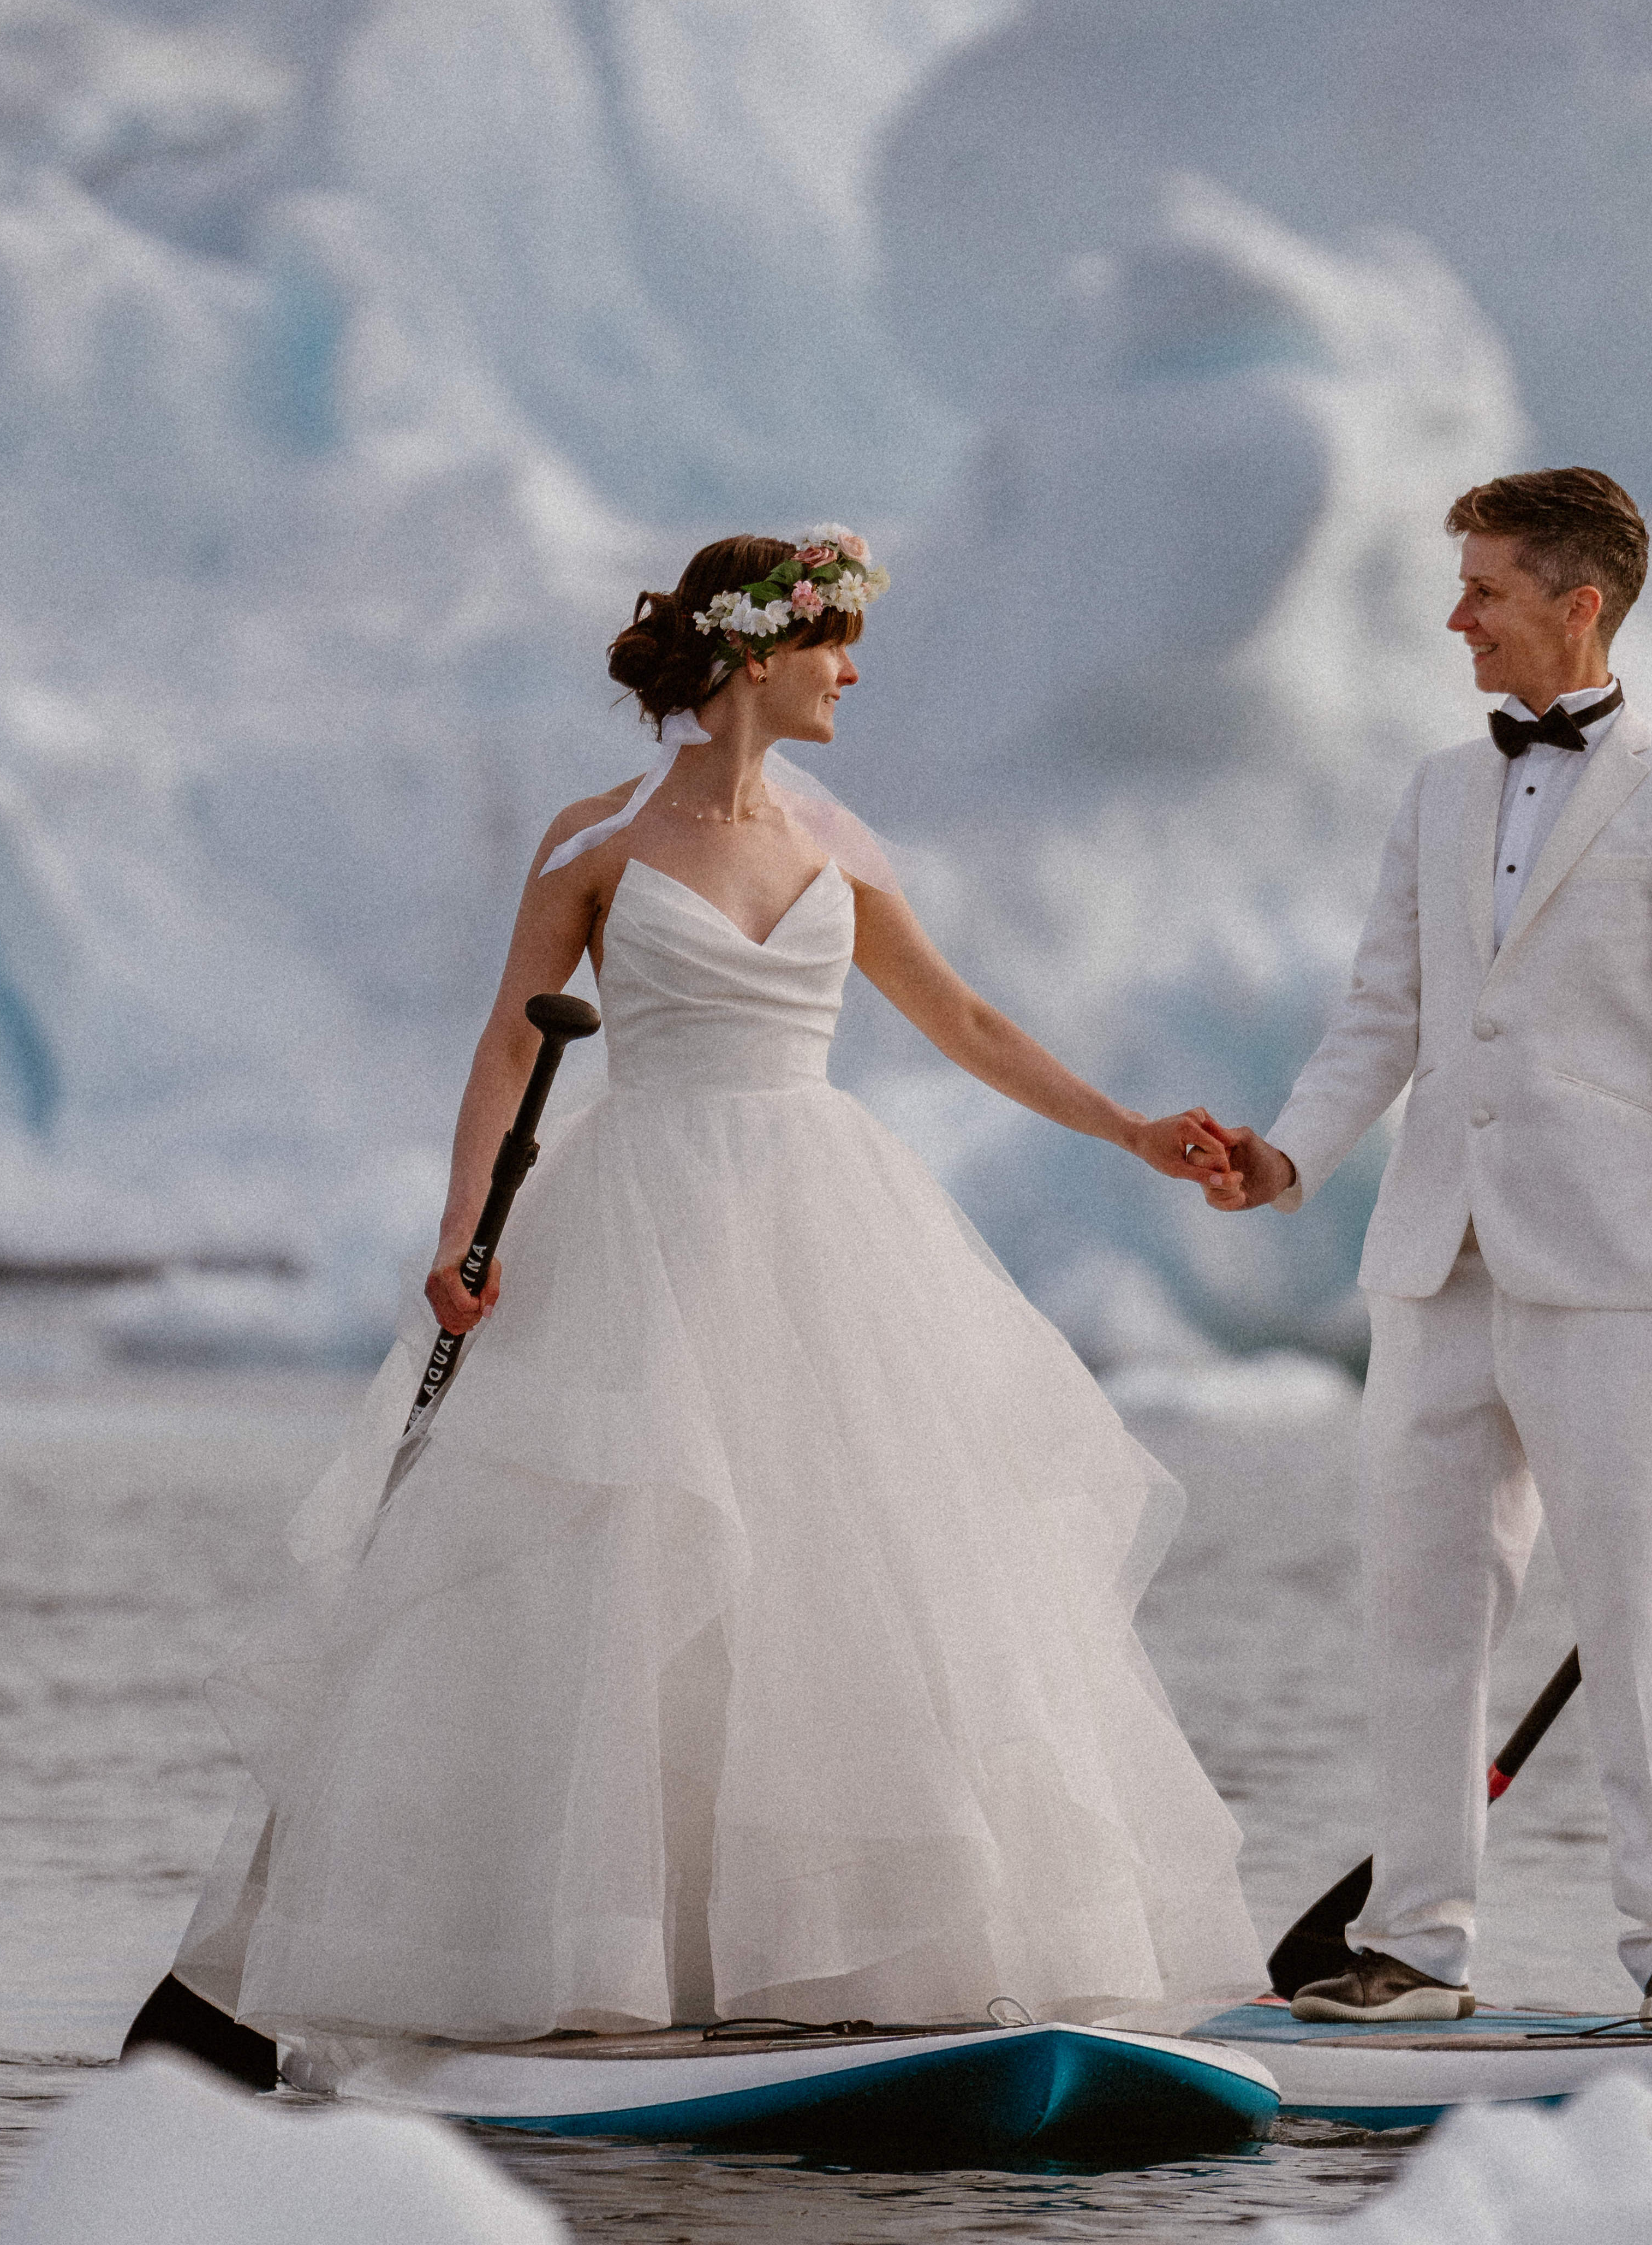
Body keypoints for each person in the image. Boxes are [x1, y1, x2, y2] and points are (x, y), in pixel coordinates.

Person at [134, 528, 1262, 2075]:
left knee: (843, 1580)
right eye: (834, 644)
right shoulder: (592, 839)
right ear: (752, 654)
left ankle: (841, 1969)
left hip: (827, 1234)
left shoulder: (843, 842)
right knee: (623, 1587)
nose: (852, 673)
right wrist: (467, 1222)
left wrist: (1129, 1129)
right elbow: (511, 1048)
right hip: (634, 1228)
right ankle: (604, 1964)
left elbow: (970, 1021)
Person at [1202, 469, 1652, 2033]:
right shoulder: (1435, 789)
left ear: (1577, 602)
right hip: (1433, 1268)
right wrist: (1286, 1155)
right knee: (1417, 1618)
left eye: (1482, 587)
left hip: (1617, 1273)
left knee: (1639, 1617)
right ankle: (1412, 1944)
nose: (1455, 615)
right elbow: (1382, 1015)